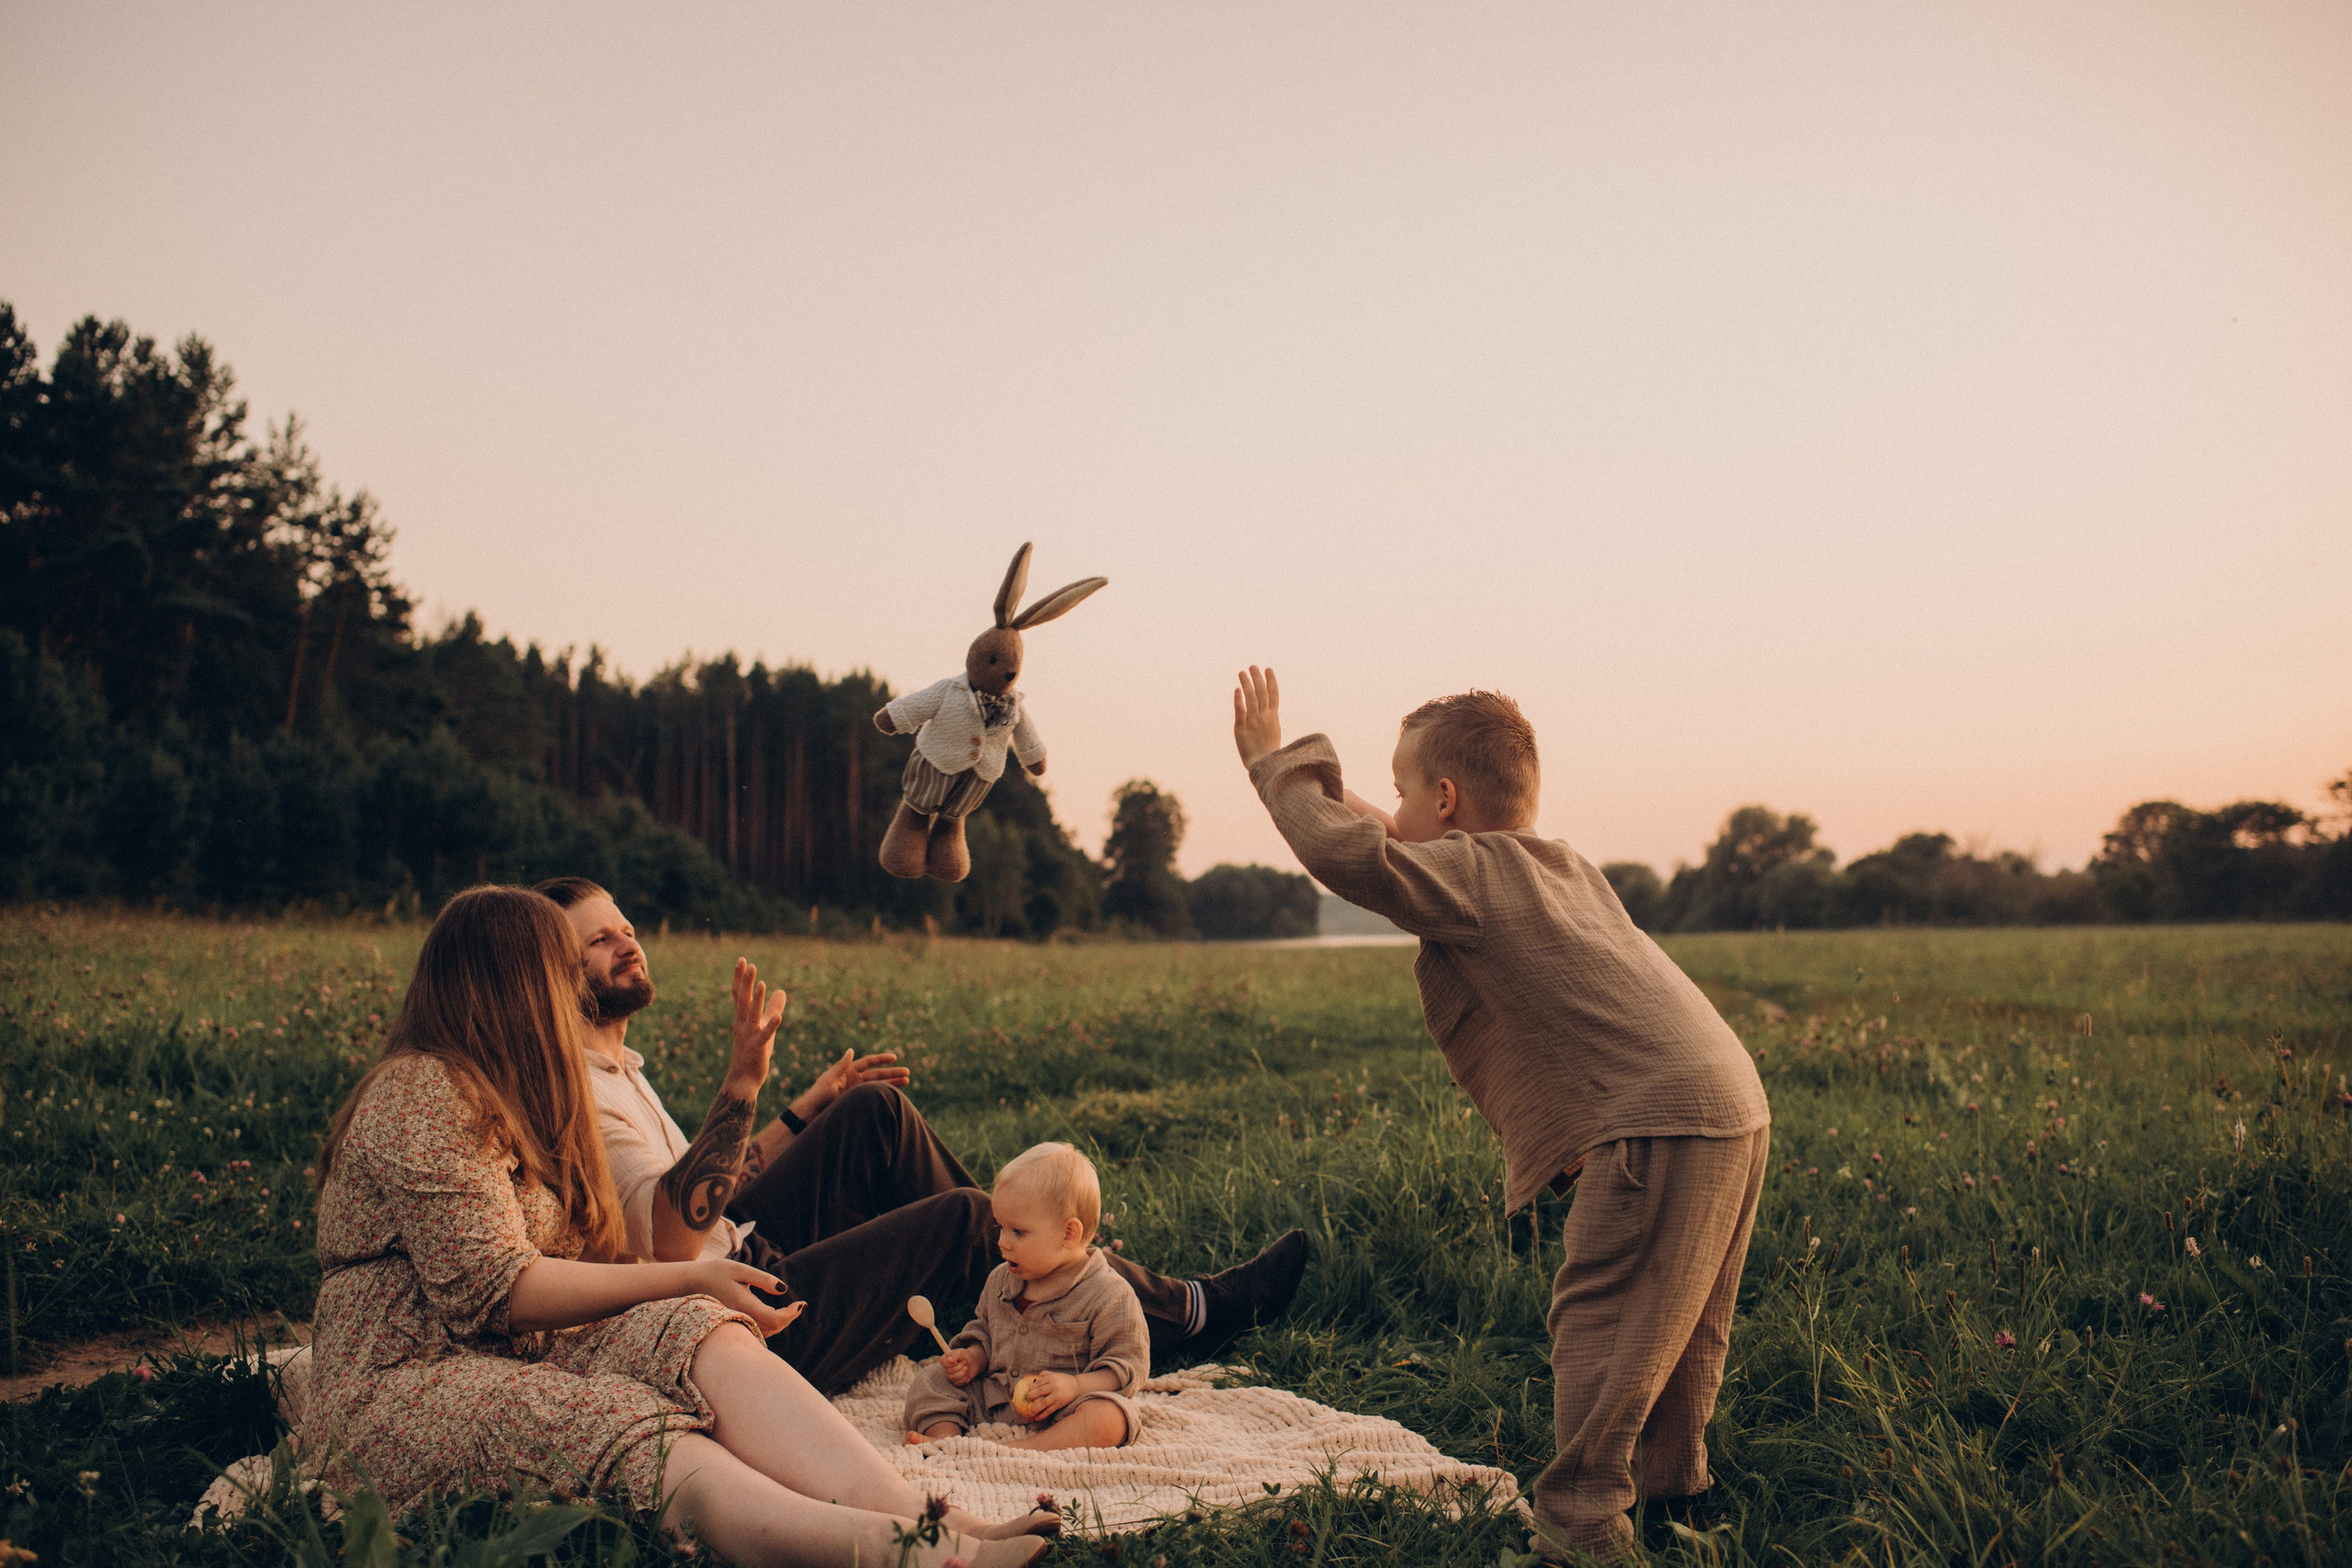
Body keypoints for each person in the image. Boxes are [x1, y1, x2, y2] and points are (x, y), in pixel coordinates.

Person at [310, 886, 1053, 1567]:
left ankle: (931, 1519)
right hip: (410, 1377)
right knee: (619, 1414)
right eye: (562, 968)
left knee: (699, 1326)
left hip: (517, 1345)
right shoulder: (423, 1092)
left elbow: (591, 1256)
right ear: (512, 983)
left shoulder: (513, 1094)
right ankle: (898, 1552)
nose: (573, 990)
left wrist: (690, 1291)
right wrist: (692, 1272)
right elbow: (494, 1288)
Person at [1228, 669, 1771, 1565]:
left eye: (1403, 789)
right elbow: (1385, 833)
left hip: (1656, 1120)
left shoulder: (1467, 876)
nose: (1391, 806)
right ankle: (1677, 1497)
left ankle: (1580, 1528)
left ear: (1444, 800)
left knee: (1602, 1318)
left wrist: (1272, 763)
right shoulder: (1555, 863)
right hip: (1729, 1102)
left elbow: (1353, 856)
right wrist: (1366, 801)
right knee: (1675, 1320)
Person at [534, 877, 1309, 1397]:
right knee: (968, 1219)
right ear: (553, 975)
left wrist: (808, 1108)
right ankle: (1178, 1313)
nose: (628, 942)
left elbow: (711, 1197)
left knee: (872, 1115)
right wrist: (740, 1083)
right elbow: (672, 1244)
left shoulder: (620, 1067)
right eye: (599, 941)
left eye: (626, 927)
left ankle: (1058, 1281)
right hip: (739, 1321)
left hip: (738, 1252)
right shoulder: (583, 1098)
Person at [902, 1142, 1146, 1450]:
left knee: (1112, 1417)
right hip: (996, 1399)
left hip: (1063, 1409)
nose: (1002, 1242)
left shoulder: (1110, 1295)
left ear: (1069, 1233)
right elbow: (985, 1332)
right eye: (1000, 1227)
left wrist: (1074, 1386)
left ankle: (1028, 1451)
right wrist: (973, 1359)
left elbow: (1126, 1366)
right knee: (930, 1381)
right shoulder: (1001, 1280)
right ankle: (946, 1441)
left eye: (1018, 1232)